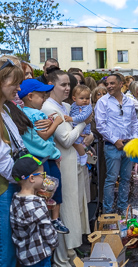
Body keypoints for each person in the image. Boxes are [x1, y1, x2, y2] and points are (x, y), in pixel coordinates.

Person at [41, 69, 92, 266]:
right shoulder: (48, 108)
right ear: (51, 85)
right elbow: (66, 138)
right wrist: (84, 124)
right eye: (63, 84)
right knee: (64, 212)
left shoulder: (64, 105)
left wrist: (87, 134)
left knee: (75, 209)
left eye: (68, 84)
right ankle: (61, 258)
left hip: (74, 163)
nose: (67, 88)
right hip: (63, 165)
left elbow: (79, 136)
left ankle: (70, 252)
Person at [18, 78, 70, 234]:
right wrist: (56, 122)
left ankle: (47, 220)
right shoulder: (36, 113)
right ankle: (54, 220)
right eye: (41, 96)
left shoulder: (21, 113)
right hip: (44, 159)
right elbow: (45, 135)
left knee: (43, 193)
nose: (44, 99)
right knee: (54, 189)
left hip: (35, 159)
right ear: (30, 96)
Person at [95, 74, 138, 214]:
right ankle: (108, 211)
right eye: (107, 84)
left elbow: (134, 123)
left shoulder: (129, 102)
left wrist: (134, 139)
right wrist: (115, 141)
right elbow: (100, 125)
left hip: (128, 145)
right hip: (112, 146)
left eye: (112, 83)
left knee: (126, 179)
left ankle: (122, 209)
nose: (109, 86)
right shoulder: (103, 102)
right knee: (111, 179)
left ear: (121, 84)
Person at [10, 154, 59, 267]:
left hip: (24, 256)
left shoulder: (15, 199)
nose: (44, 178)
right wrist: (54, 244)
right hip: (40, 257)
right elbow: (47, 231)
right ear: (32, 178)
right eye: (42, 175)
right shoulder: (37, 204)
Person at [0, 58, 25, 266]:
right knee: (5, 250)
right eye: (13, 83)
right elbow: (3, 161)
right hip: (4, 188)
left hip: (12, 183)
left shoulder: (6, 110)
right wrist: (25, 179)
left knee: (11, 247)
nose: (18, 88)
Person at [64, 85, 92, 166]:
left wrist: (71, 119)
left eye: (87, 98)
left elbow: (82, 117)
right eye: (82, 98)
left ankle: (83, 156)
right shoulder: (73, 105)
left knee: (77, 143)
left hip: (83, 130)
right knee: (77, 145)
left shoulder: (87, 107)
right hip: (76, 128)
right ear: (74, 98)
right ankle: (81, 156)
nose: (85, 100)